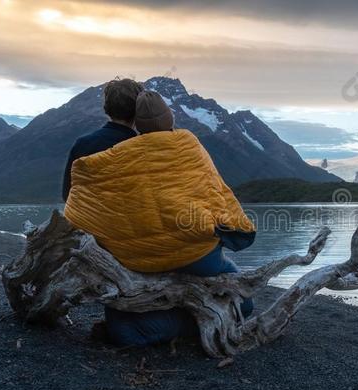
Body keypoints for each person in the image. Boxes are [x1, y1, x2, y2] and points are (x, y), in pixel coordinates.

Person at [63, 89, 256, 346]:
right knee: (243, 301)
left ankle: (152, 326)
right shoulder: (189, 143)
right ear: (169, 119)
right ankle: (196, 319)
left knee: (125, 325)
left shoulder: (119, 154)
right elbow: (214, 190)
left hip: (136, 258)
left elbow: (77, 191)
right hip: (196, 253)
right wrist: (230, 226)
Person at [62, 78, 144, 202]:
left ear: (107, 108)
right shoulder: (143, 148)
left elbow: (68, 194)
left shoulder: (83, 145)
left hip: (88, 219)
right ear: (137, 110)